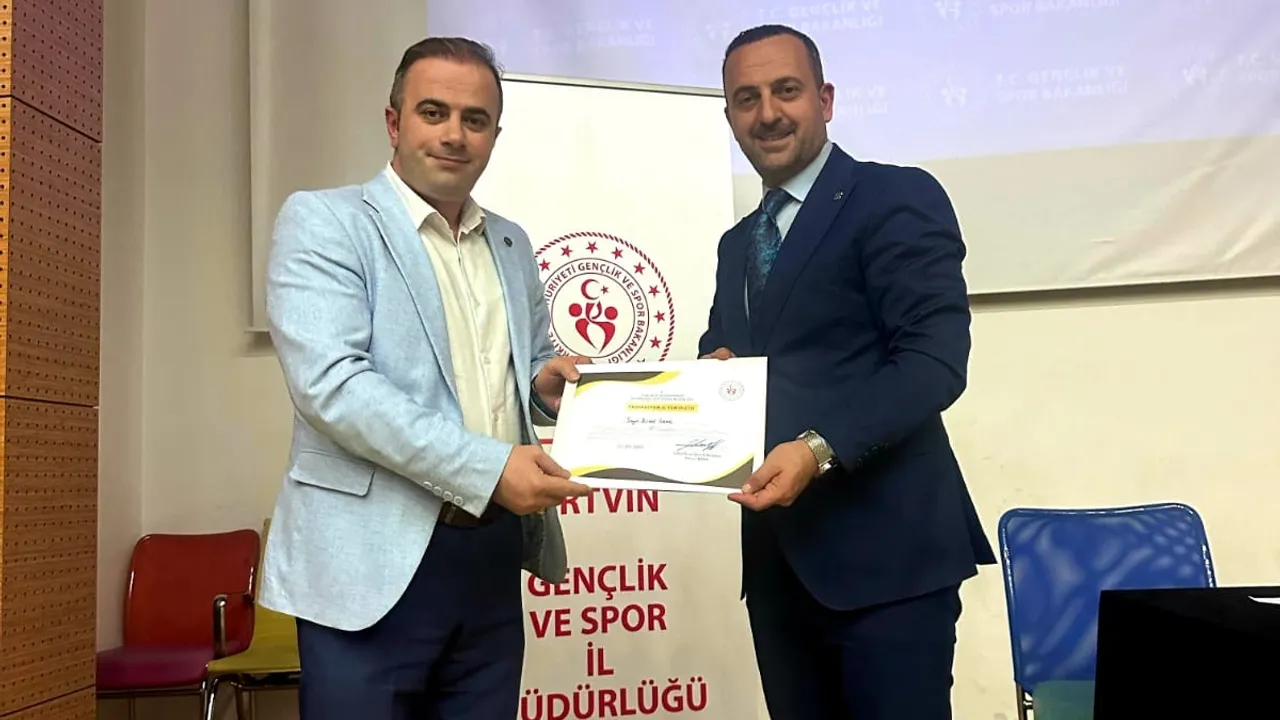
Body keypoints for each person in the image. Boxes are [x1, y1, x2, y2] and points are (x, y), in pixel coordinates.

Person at [259, 37, 592, 719]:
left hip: (490, 553)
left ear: (494, 135)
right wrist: (491, 469)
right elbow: (334, 387)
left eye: (475, 120)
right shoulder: (325, 222)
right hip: (367, 563)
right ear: (394, 122)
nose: (454, 135)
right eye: (433, 112)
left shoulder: (511, 241)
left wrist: (543, 385)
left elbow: (519, 365)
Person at [698, 24, 997, 719]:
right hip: (779, 570)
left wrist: (817, 448)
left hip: (889, 566)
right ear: (729, 116)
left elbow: (933, 361)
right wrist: (705, 384)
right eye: (746, 98)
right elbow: (725, 357)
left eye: (786, 90)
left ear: (825, 100)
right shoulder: (737, 244)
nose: (767, 113)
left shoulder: (893, 198)